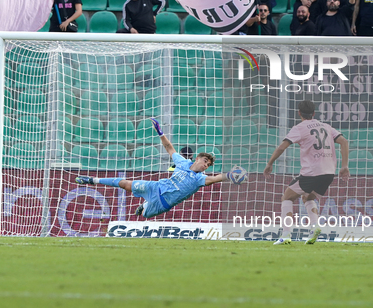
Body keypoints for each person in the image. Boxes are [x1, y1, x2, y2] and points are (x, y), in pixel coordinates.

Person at [76, 118, 242, 219]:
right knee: (125, 184)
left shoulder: (200, 179)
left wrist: (230, 175)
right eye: (205, 161)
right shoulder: (183, 163)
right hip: (157, 186)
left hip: (162, 204)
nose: (205, 165)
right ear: (197, 158)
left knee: (145, 214)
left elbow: (215, 178)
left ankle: (145, 205)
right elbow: (170, 148)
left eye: (208, 165)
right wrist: (160, 132)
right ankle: (92, 179)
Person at [264, 100, 350, 245]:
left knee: (287, 198)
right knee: (308, 198)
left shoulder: (299, 128)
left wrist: (270, 163)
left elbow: (281, 147)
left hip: (312, 172)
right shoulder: (326, 127)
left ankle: (285, 234)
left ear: (299, 113)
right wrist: (344, 166)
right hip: (329, 172)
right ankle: (315, 227)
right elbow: (344, 141)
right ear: (314, 113)